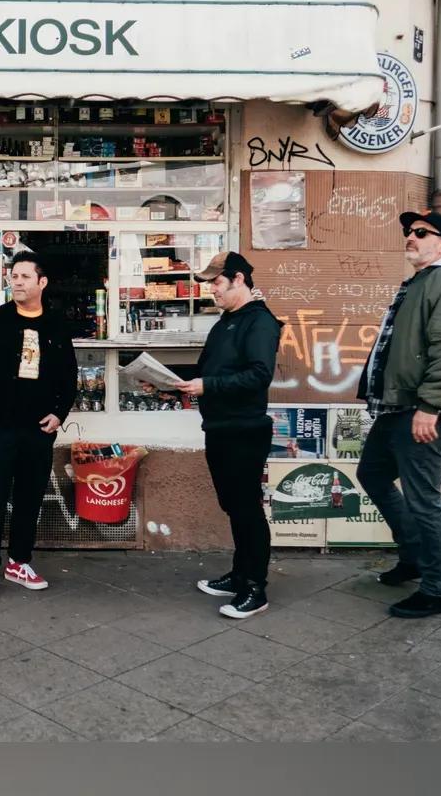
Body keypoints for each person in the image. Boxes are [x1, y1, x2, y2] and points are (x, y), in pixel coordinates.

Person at [356, 210, 441, 619]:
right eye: (409, 232)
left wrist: (432, 407)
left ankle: (435, 589)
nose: (410, 237)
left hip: (421, 410)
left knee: (424, 499)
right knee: (371, 473)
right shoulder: (422, 282)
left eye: (421, 233)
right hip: (397, 408)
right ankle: (412, 554)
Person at [0, 251, 78, 602]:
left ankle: (19, 562)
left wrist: (59, 412)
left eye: (25, 277)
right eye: (14, 276)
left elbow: (68, 375)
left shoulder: (56, 323)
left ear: (42, 283)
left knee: (30, 498)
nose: (17, 282)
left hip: (38, 429)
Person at [175, 251, 282, 620]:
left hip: (244, 430)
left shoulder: (260, 322)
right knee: (234, 507)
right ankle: (239, 574)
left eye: (217, 283)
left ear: (238, 279)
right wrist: (174, 382)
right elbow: (210, 371)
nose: (212, 291)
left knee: (247, 509)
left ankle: (256, 587)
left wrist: (208, 385)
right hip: (219, 428)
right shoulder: (227, 321)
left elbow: (258, 375)